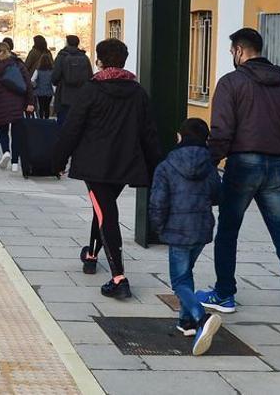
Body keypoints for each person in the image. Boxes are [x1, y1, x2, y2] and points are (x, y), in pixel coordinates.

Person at [199, 28, 280, 337]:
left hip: (242, 165)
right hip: (277, 168)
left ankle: (224, 293)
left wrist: (208, 164)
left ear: (240, 51)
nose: (232, 57)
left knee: (227, 232)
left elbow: (222, 130)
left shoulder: (231, 83)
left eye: (232, 52)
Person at [53, 38, 159, 299]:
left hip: (95, 165)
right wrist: (157, 166)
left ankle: (119, 278)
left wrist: (57, 160)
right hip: (125, 164)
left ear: (99, 61)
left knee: (106, 214)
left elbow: (72, 127)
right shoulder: (138, 92)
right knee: (103, 209)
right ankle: (91, 254)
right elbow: (149, 133)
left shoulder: (91, 91)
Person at [149, 118, 223, 354]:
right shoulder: (209, 165)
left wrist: (159, 227)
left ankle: (202, 319)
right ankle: (186, 321)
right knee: (186, 273)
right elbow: (217, 195)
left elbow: (158, 202)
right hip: (201, 229)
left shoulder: (166, 166)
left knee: (179, 281)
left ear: (180, 137)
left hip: (177, 229)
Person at [0, 42, 35, 171]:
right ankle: (14, 162)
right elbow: (28, 84)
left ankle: (6, 151)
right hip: (17, 103)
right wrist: (30, 102)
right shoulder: (18, 64)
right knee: (16, 132)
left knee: (3, 130)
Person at [52, 35, 93, 126]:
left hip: (64, 96)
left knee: (63, 124)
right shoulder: (84, 57)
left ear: (67, 43)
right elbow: (90, 76)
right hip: (81, 96)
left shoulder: (61, 56)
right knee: (78, 123)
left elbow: (55, 77)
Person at [25, 36, 55, 119]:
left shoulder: (33, 52)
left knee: (35, 102)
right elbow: (53, 65)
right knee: (46, 105)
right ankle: (45, 119)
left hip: (34, 81)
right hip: (47, 82)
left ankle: (37, 118)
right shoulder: (48, 52)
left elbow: (27, 65)